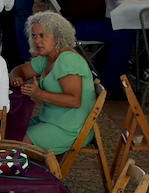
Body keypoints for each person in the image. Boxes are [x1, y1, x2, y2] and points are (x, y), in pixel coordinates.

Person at [11, 11, 96, 153]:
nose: (37, 41)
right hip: (50, 121)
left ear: (57, 36)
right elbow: (19, 70)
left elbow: (74, 101)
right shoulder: (48, 57)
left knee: (16, 143)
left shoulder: (68, 60)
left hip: (70, 129)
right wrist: (16, 77)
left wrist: (38, 93)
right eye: (34, 36)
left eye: (42, 35)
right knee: (12, 130)